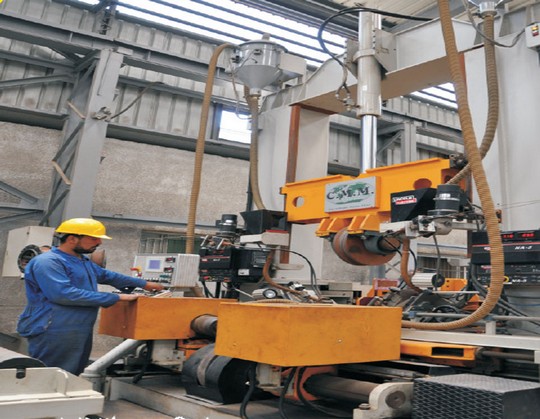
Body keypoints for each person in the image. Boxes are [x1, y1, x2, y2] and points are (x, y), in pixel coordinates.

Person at [17, 218, 164, 375]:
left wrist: (143, 283)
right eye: (94, 238)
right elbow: (64, 294)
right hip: (53, 327)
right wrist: (116, 298)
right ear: (72, 239)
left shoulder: (80, 260)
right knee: (53, 374)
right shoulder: (48, 262)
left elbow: (106, 275)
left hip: (78, 327)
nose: (99, 242)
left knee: (73, 372)